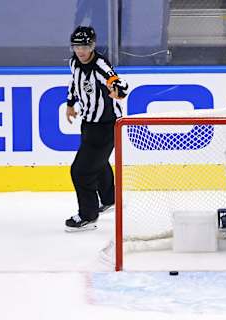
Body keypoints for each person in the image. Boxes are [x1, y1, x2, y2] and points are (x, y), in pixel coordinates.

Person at [65, 26, 129, 232]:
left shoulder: (101, 66)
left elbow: (119, 83)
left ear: (92, 46)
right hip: (89, 123)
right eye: (76, 46)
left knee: (81, 171)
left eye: (85, 46)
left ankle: (88, 216)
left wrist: (117, 91)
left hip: (106, 126)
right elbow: (74, 83)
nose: (80, 51)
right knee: (98, 163)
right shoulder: (74, 62)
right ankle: (110, 199)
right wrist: (70, 103)